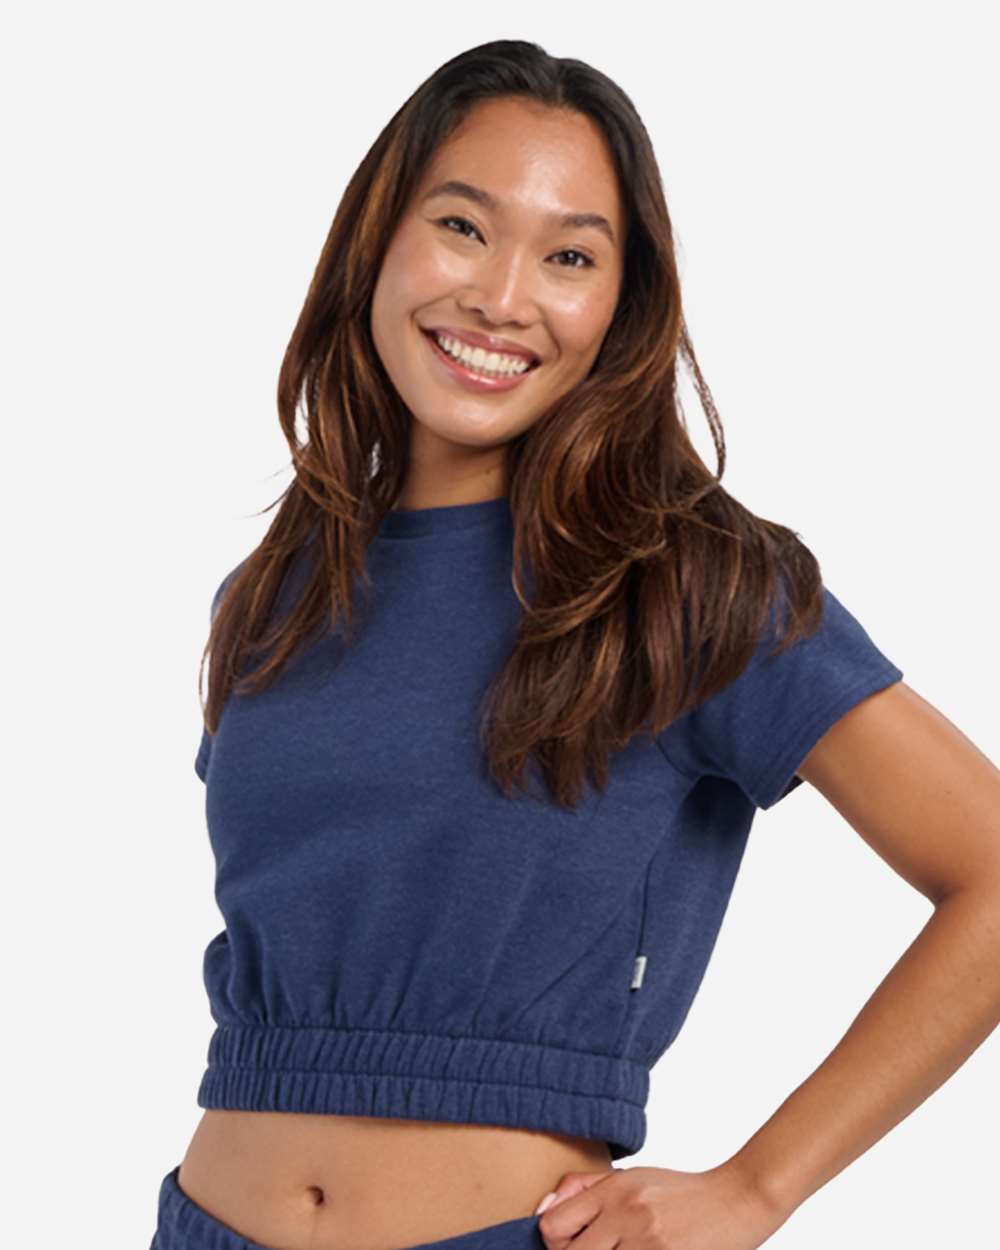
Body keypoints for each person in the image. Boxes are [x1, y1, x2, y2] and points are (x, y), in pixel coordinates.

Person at [149, 38, 1000, 1250]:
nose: (502, 297)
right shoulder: (275, 592)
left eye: (568, 256)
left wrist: (757, 1186)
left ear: (619, 306)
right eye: (461, 225)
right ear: (376, 241)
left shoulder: (688, 583)